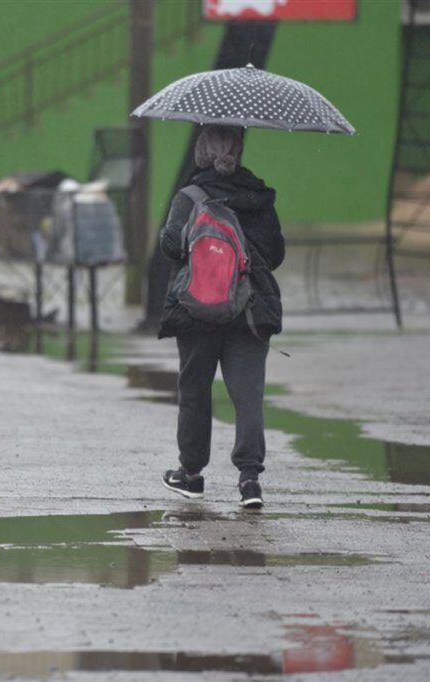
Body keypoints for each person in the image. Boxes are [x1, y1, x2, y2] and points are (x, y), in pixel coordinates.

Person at [157, 125, 285, 509]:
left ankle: (191, 474)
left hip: (198, 309)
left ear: (201, 152)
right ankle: (249, 480)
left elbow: (169, 246)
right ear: (238, 150)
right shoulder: (258, 196)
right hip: (249, 312)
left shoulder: (190, 195)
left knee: (195, 391)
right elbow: (276, 255)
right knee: (248, 396)